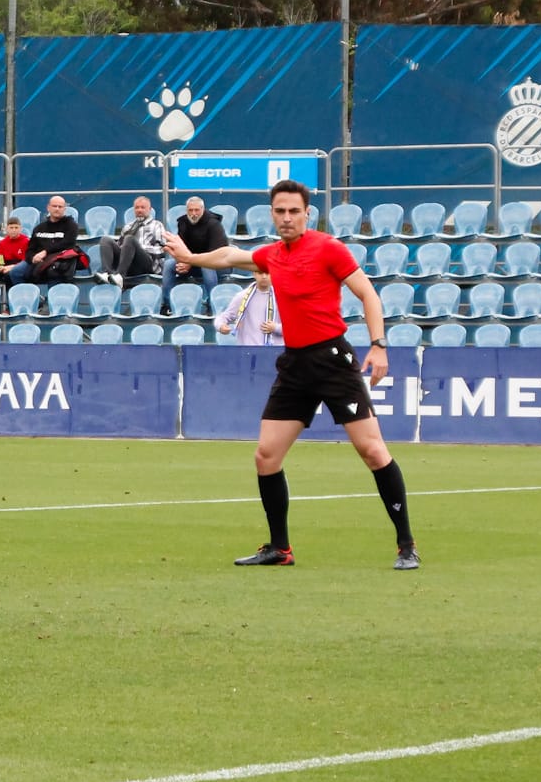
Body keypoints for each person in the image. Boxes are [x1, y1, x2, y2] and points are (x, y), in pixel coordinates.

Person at [163, 178, 417, 571]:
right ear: (272, 214)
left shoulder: (328, 248)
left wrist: (379, 344)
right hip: (295, 365)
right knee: (266, 456)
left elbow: (368, 294)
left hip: (333, 361)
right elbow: (230, 256)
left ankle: (406, 545)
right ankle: (279, 549)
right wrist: (191, 257)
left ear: (306, 214)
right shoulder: (273, 255)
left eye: (294, 211)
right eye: (280, 211)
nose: (286, 218)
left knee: (372, 451)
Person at [0, 195, 86, 285]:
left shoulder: (71, 225)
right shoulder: (39, 228)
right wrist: (1, 264)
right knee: (9, 273)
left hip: (57, 261)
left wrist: (45, 252)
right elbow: (29, 249)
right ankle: (25, 296)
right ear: (48, 208)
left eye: (60, 207)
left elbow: (68, 244)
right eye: (54, 206)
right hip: (34, 261)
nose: (57, 209)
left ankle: (49, 297)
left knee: (53, 272)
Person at [161, 196, 226, 304]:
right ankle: (167, 304)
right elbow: (180, 247)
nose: (193, 213)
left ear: (203, 209)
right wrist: (184, 262)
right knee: (168, 264)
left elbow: (214, 253)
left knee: (207, 266)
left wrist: (190, 262)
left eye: (197, 210)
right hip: (192, 262)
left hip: (217, 264)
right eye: (190, 210)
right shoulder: (183, 222)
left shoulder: (214, 224)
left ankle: (212, 303)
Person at [96, 195, 168, 287]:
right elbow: (119, 246)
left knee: (130, 239)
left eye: (143, 207)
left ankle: (120, 275)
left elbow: (162, 250)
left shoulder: (157, 225)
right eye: (137, 208)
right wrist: (127, 249)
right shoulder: (128, 227)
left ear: (149, 209)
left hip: (146, 264)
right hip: (127, 264)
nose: (139, 210)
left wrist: (138, 248)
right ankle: (106, 273)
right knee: (105, 240)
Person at [214, 269, 281, 346]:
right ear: (254, 274)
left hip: (276, 350)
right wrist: (221, 325)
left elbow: (294, 328)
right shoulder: (242, 297)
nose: (264, 277)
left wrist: (276, 328)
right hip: (248, 350)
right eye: (260, 273)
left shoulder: (283, 298)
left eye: (267, 273)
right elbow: (225, 316)